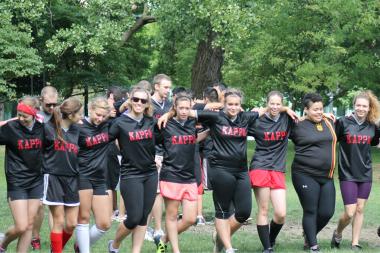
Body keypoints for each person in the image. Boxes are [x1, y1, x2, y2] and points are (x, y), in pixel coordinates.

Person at [159, 88, 296, 253]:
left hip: (241, 171)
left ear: (240, 105)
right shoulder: (215, 117)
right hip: (220, 169)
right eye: (230, 104)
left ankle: (220, 237)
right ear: (224, 104)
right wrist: (168, 114)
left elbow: (269, 108)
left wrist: (286, 108)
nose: (233, 107)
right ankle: (228, 248)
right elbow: (187, 111)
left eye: (236, 104)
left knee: (244, 212)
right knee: (223, 211)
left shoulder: (246, 117)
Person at [154, 94, 208, 253]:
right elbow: (151, 140)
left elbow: (193, 139)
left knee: (190, 219)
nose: (184, 111)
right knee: (171, 216)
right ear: (175, 108)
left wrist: (210, 132)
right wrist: (167, 114)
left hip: (189, 176)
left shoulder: (192, 122)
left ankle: (163, 240)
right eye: (181, 108)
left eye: (187, 108)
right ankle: (175, 250)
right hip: (170, 174)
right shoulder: (165, 124)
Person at [107, 86, 159, 253]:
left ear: (147, 104)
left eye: (143, 100)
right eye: (135, 99)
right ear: (130, 100)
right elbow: (104, 140)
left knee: (143, 217)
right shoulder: (120, 123)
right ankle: (114, 245)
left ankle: (135, 251)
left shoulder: (151, 122)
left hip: (150, 173)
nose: (138, 102)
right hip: (131, 174)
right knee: (134, 217)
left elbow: (166, 137)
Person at [331, 91, 380, 250]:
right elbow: (330, 140)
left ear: (369, 108)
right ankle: (338, 233)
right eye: (358, 105)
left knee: (360, 209)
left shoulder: (372, 126)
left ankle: (355, 243)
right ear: (353, 106)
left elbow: (375, 143)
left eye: (364, 106)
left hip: (365, 173)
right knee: (350, 212)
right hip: (347, 173)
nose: (361, 108)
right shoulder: (343, 122)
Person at [290, 93, 337, 253]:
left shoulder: (329, 122)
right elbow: (277, 120)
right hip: (304, 173)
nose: (318, 112)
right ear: (306, 110)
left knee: (327, 212)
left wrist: (323, 114)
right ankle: (313, 246)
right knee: (311, 210)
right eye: (315, 109)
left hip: (327, 176)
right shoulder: (296, 125)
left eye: (320, 109)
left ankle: (309, 236)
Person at [248, 91, 294, 253]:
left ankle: (270, 239)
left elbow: (307, 117)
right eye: (271, 103)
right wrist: (256, 111)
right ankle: (267, 248)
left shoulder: (287, 119)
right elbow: (240, 121)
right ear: (266, 103)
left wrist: (287, 109)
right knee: (264, 209)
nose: (274, 107)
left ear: (282, 104)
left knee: (281, 213)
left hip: (278, 169)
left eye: (278, 104)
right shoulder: (257, 120)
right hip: (260, 167)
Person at [0, 97, 44, 253]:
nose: (21, 119)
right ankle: (2, 244)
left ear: (34, 113)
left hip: (36, 180)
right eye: (18, 114)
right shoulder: (11, 127)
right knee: (21, 225)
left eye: (24, 115)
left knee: (29, 225)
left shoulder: (42, 128)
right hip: (17, 181)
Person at [42, 97, 83, 253]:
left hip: (72, 179)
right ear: (71, 114)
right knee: (58, 220)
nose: (81, 116)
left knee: (72, 223)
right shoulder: (48, 128)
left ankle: (55, 249)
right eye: (79, 113)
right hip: (53, 177)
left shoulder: (77, 130)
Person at [75, 97, 112, 253]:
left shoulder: (107, 125)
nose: (100, 118)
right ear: (90, 109)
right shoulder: (79, 126)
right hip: (82, 174)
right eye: (97, 114)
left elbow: (125, 110)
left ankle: (80, 246)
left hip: (100, 177)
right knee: (83, 218)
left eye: (103, 116)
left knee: (104, 223)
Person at [31, 85, 59, 250]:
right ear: (41, 101)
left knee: (54, 205)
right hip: (37, 166)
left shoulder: (59, 115)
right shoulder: (35, 117)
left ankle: (54, 240)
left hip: (55, 165)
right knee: (39, 205)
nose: (52, 107)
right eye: (49, 104)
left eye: (55, 104)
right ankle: (35, 236)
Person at [149, 74, 173, 240]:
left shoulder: (170, 105)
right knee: (157, 192)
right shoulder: (146, 104)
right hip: (153, 152)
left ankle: (159, 227)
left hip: (170, 152)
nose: (168, 90)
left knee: (165, 192)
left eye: (169, 87)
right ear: (156, 86)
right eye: (165, 87)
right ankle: (157, 229)